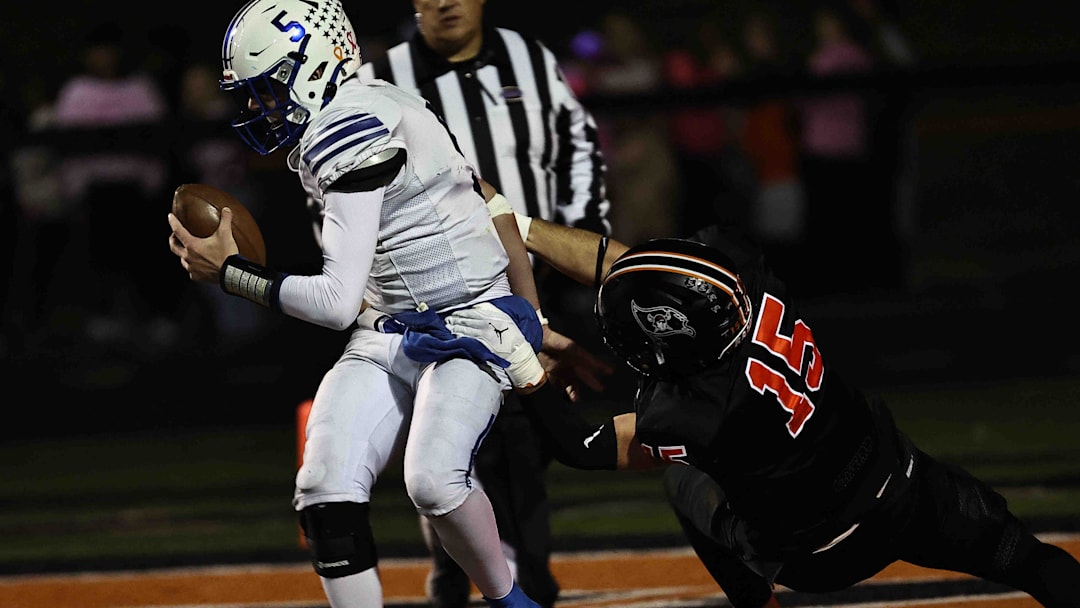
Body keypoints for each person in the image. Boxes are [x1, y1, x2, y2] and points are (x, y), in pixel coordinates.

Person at [441, 211, 1080, 608]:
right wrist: (513, 223)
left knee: (680, 478)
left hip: (824, 554)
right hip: (905, 485)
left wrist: (526, 373)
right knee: (1033, 560)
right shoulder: (743, 273)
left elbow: (580, 447)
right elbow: (629, 264)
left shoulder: (697, 412)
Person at [166, 0, 573, 605]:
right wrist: (532, 304)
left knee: (434, 483)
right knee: (323, 491)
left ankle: (509, 600)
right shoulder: (381, 98)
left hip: (467, 326)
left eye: (266, 88)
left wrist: (232, 275)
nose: (256, 106)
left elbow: (333, 302)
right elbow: (489, 199)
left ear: (312, 69)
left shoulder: (348, 128)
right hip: (387, 330)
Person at [357, 2, 614, 606]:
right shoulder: (380, 79)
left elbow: (579, 148)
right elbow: (342, 199)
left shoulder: (531, 58)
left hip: (531, 287)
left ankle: (534, 584)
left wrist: (575, 234)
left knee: (532, 449)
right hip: (434, 306)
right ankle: (453, 582)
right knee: (449, 450)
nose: (446, 1)